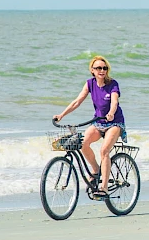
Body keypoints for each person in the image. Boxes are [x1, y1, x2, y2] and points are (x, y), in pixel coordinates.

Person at [54, 56, 127, 199]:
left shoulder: (113, 84)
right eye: (98, 68)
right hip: (99, 122)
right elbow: (77, 102)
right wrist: (61, 115)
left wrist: (111, 113)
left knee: (104, 150)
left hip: (114, 122)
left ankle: (104, 188)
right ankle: (95, 170)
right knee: (83, 143)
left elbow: (114, 101)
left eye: (104, 68)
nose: (102, 70)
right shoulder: (90, 84)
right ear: (92, 70)